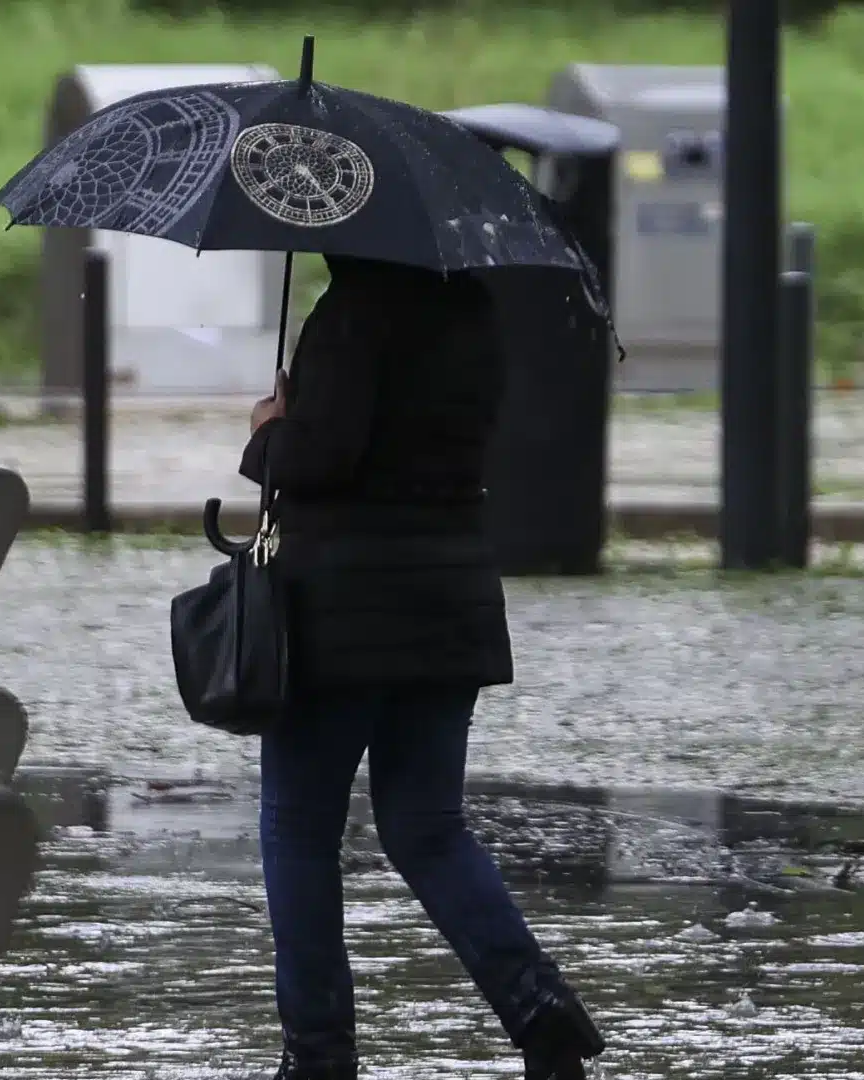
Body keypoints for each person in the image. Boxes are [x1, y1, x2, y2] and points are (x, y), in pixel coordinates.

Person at [240, 254, 607, 1080]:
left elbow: (324, 458)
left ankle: (319, 1052)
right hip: (448, 606)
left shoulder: (353, 316)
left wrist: (269, 433)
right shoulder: (471, 312)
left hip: (343, 618)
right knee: (428, 828)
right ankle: (540, 1010)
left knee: (297, 829)